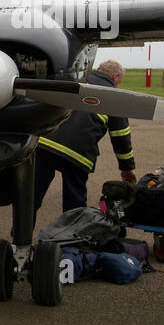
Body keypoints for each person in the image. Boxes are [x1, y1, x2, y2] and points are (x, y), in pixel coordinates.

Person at [34, 59, 137, 214]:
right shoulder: (114, 96)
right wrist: (126, 169)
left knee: (32, 195)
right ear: (115, 77)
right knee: (74, 203)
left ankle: (20, 236)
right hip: (78, 153)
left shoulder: (78, 80)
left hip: (46, 144)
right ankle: (72, 235)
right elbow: (120, 136)